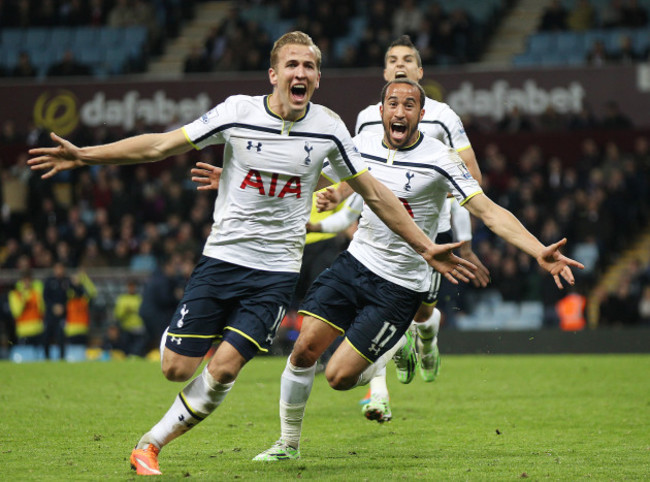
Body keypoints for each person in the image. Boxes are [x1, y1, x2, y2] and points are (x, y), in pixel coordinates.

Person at [27, 31, 476, 476]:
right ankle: (187, 354)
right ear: (274, 74)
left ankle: (150, 445)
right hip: (221, 260)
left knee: (223, 369)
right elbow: (160, 145)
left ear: (317, 77)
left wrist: (425, 246)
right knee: (175, 368)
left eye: (309, 66)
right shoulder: (238, 112)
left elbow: (374, 194)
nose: (301, 73)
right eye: (292, 65)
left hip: (277, 273)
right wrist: (86, 156)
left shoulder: (329, 128)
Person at [252, 79, 583, 461]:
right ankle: (287, 445)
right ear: (381, 112)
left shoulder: (440, 157)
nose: (400, 111)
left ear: (421, 115)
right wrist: (238, 178)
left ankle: (395, 346)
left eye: (409, 105)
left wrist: (538, 249)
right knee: (303, 350)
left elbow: (488, 211)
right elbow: (303, 167)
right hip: (354, 263)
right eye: (393, 103)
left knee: (338, 378)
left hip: (400, 284)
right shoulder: (360, 145)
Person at [353, 35, 490, 422]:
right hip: (379, 235)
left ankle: (426, 340)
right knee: (374, 312)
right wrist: (340, 201)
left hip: (431, 234)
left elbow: (473, 178)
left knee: (421, 314)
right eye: (392, 59)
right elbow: (359, 175)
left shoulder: (444, 117)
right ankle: (378, 394)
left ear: (420, 71)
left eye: (408, 59)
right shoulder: (367, 118)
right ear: (384, 72)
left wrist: (428, 192)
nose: (400, 64)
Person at [42, 261, 71, 360]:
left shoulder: (67, 282)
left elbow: (71, 297)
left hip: (63, 315)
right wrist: (53, 307)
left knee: (61, 337)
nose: (59, 271)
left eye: (61, 268)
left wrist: (63, 307)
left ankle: (62, 358)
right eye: (57, 268)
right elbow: (45, 297)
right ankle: (46, 358)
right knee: (46, 337)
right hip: (50, 314)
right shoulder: (49, 281)